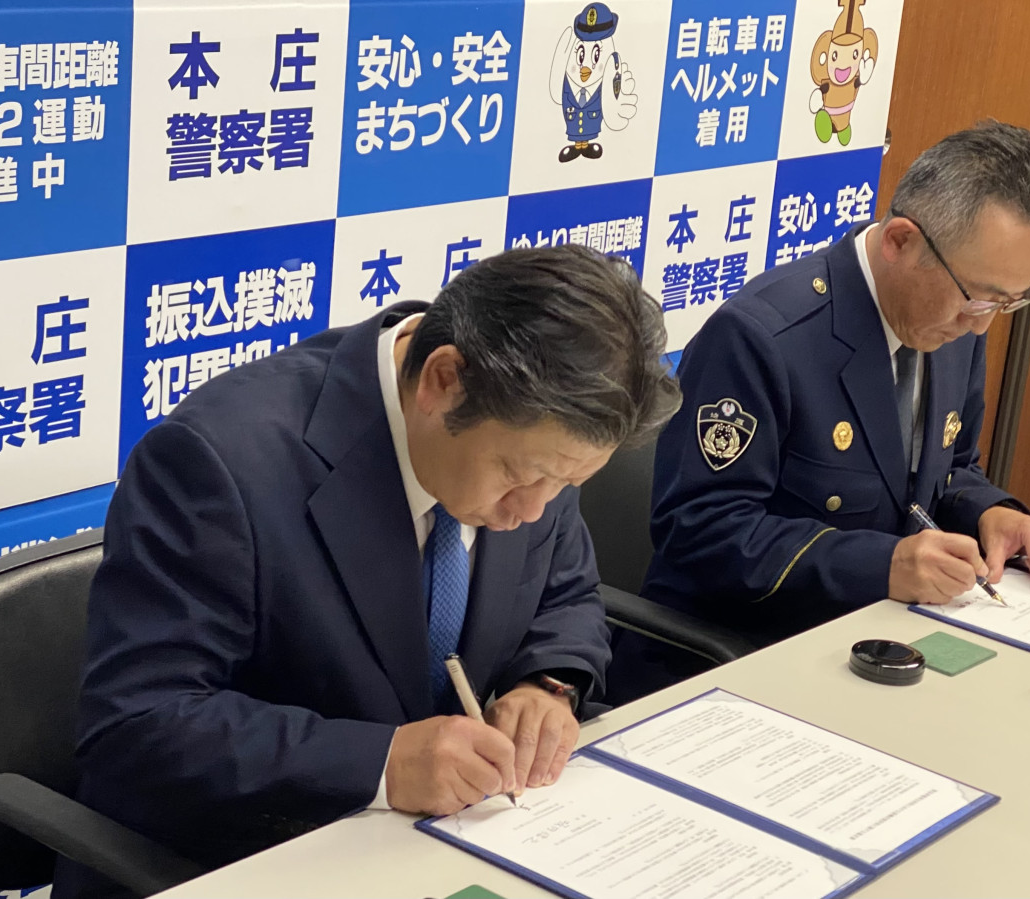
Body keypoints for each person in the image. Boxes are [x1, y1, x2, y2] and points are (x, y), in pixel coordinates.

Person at [55, 244, 680, 896]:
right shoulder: (220, 462)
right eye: (522, 477)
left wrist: (546, 683)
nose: (531, 511)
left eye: (565, 485)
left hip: (448, 849)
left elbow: (565, 590)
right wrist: (384, 763)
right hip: (252, 860)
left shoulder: (544, 433)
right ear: (443, 380)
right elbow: (138, 723)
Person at [609, 121, 1030, 703]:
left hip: (880, 646)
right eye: (977, 297)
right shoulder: (762, 338)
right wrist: (882, 565)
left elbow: (948, 470)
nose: (981, 324)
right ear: (900, 241)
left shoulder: (951, 326)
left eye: (1006, 302)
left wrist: (991, 513)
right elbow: (700, 531)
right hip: (740, 660)